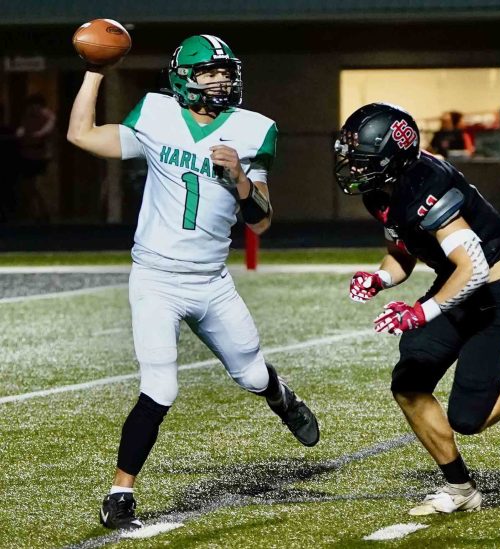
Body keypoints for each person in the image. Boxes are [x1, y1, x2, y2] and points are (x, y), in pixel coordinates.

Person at [67, 34, 319, 530]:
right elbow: (82, 135)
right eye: (210, 73)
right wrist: (95, 70)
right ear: (184, 79)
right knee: (159, 386)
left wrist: (242, 182)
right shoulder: (156, 115)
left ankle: (279, 397)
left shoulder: (253, 130)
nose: (222, 80)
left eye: (227, 72)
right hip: (156, 277)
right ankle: (121, 493)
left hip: (211, 281)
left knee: (250, 376)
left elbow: (261, 221)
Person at [334, 102, 500, 515]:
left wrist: (421, 312)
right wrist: (380, 277)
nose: (352, 168)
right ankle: (461, 489)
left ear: (392, 160)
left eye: (362, 160)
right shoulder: (383, 191)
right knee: (409, 385)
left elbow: (474, 266)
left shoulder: (428, 187)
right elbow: (403, 251)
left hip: (493, 295)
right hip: (455, 287)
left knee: (469, 419)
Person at [16, 93, 56, 222]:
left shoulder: (47, 117)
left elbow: (44, 133)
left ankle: (43, 212)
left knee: (39, 186)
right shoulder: (28, 117)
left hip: (40, 157)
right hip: (29, 156)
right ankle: (36, 212)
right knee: (31, 186)